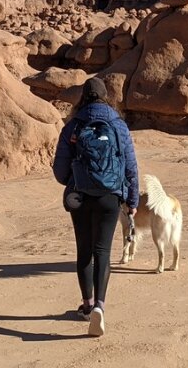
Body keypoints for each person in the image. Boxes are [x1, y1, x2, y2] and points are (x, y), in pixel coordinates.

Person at [52, 76, 139, 338]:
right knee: (102, 250)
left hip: (79, 196)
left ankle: (87, 305)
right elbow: (131, 166)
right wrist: (132, 201)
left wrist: (75, 180)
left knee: (84, 250)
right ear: (105, 96)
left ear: (83, 97)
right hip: (110, 196)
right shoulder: (118, 125)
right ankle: (100, 306)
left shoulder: (73, 126)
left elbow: (59, 170)